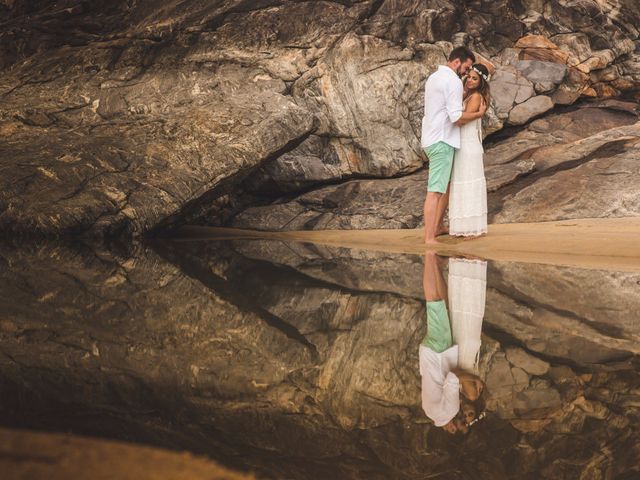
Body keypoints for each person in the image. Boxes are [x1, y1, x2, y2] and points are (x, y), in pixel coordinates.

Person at [421, 47, 487, 245]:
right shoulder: (452, 81)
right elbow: (456, 117)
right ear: (458, 62)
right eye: (466, 68)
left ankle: (439, 226)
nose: (466, 73)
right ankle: (429, 238)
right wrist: (478, 115)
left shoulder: (434, 77)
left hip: (431, 137)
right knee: (435, 191)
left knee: (445, 187)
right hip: (442, 140)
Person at [419, 252, 486, 434]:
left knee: (434, 303)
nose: (463, 417)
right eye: (468, 417)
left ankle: (430, 257)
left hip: (439, 353)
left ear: (451, 429)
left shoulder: (451, 409)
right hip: (433, 355)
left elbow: (453, 376)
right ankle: (436, 264)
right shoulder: (431, 412)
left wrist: (476, 379)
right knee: (441, 304)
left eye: (461, 423)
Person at [448, 63, 491, 238]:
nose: (470, 81)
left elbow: (460, 120)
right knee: (462, 182)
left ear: (481, 81)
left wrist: (477, 115)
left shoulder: (476, 97)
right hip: (464, 143)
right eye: (469, 77)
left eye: (475, 78)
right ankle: (464, 227)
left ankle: (471, 228)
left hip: (468, 144)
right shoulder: (470, 95)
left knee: (467, 183)